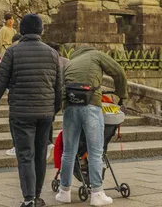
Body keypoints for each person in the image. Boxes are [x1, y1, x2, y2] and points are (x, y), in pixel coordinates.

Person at [0, 14, 61, 207]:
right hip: (45, 112)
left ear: (22, 30)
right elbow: (59, 87)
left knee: (25, 155)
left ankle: (28, 199)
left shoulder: (13, 52)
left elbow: (0, 83)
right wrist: (53, 110)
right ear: (41, 30)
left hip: (21, 112)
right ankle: (36, 196)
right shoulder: (53, 53)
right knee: (40, 153)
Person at [56, 47, 128, 207]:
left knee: (68, 152)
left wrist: (62, 107)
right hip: (91, 105)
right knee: (95, 151)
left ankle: (64, 192)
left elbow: (61, 87)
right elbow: (118, 71)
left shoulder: (69, 63)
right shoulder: (96, 54)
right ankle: (97, 193)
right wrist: (122, 94)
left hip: (70, 106)